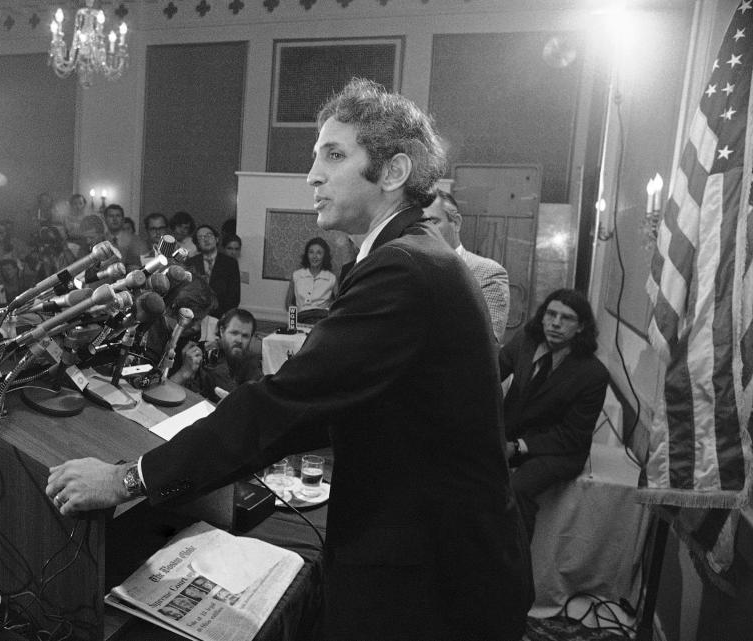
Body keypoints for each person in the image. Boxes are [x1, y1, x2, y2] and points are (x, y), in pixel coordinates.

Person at [46, 78, 532, 641]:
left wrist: (129, 478)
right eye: (314, 157)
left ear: (394, 173)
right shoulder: (410, 256)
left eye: (334, 154)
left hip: (434, 581)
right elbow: (343, 404)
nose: (312, 176)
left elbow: (289, 402)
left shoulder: (405, 269)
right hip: (435, 556)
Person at [500, 288, 609, 541]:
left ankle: (517, 566)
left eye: (566, 318)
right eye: (551, 314)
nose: (555, 323)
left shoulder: (593, 374)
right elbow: (491, 374)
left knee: (518, 488)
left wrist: (517, 447)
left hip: (558, 449)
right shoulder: (526, 342)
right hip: (512, 432)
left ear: (581, 327)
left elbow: (572, 436)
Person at [423, 189, 510, 343]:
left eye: (432, 222)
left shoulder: (487, 273)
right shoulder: (406, 269)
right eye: (417, 224)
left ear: (456, 223)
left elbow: (489, 343)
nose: (423, 231)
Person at [169, 308, 262, 403]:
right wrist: (185, 372)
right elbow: (167, 393)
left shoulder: (251, 362)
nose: (239, 340)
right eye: (234, 333)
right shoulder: (200, 355)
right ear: (222, 331)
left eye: (245, 336)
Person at [187, 224, 240, 318]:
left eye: (209, 235)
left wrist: (225, 315)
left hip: (221, 315)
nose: (206, 239)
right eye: (201, 237)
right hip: (196, 316)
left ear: (217, 239)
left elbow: (234, 294)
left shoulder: (230, 263)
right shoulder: (191, 262)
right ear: (197, 244)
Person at [285, 237, 337, 324]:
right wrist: (293, 325)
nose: (314, 256)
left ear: (325, 256)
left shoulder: (331, 278)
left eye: (319, 253)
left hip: (321, 323)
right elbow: (288, 304)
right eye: (311, 252)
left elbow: (339, 304)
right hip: (300, 321)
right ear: (307, 254)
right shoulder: (297, 275)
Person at [103, 203, 145, 270]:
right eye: (111, 216)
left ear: (122, 219)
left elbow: (137, 266)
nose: (114, 219)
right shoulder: (99, 241)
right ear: (105, 219)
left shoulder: (134, 240)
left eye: (118, 216)